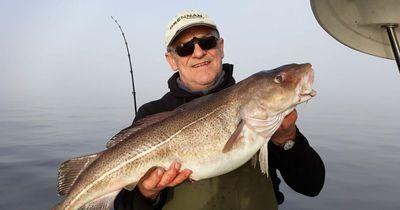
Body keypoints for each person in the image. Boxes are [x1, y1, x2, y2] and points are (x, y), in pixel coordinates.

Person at [114, 10, 325, 210]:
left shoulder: (262, 111)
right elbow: (123, 206)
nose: (198, 52)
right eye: (184, 48)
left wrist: (288, 139)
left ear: (221, 47)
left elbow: (311, 186)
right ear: (171, 60)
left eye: (207, 42)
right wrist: (146, 192)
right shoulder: (152, 113)